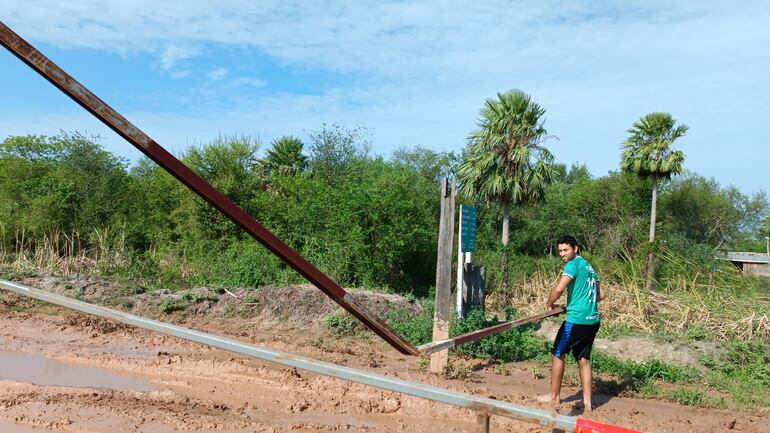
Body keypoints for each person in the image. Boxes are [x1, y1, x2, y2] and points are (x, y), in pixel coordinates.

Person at [537, 235, 606, 412]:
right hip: (592, 320)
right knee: (583, 360)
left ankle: (554, 397)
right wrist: (584, 302)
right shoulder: (589, 267)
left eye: (565, 250)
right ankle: (588, 404)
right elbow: (601, 294)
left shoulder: (573, 265)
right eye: (560, 250)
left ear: (576, 248)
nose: (562, 254)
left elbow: (559, 288)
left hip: (576, 320)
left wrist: (549, 304)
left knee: (558, 353)